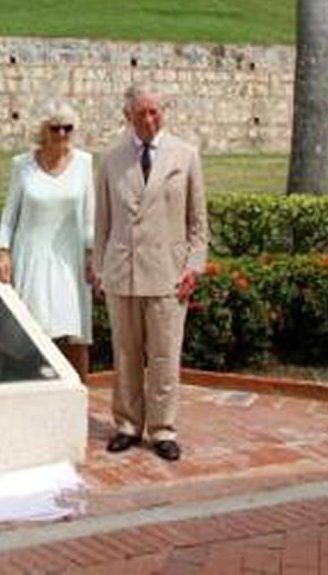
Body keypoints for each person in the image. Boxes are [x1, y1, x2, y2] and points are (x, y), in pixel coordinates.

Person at [93, 84, 208, 462]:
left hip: (168, 275)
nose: (149, 119)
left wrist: (194, 267)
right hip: (122, 273)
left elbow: (198, 225)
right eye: (141, 113)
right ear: (128, 116)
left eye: (155, 112)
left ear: (164, 113)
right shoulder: (111, 160)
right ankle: (127, 424)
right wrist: (99, 270)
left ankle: (162, 429)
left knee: (163, 355)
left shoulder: (186, 155)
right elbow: (102, 223)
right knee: (125, 353)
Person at [0, 100, 95, 383]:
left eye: (68, 128)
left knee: (75, 334)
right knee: (31, 331)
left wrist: (91, 254)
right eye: (55, 128)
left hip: (70, 259)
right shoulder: (22, 166)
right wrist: (3, 252)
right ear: (43, 130)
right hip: (32, 257)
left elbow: (90, 214)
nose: (62, 134)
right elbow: (9, 215)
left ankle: (78, 398)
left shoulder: (85, 163)